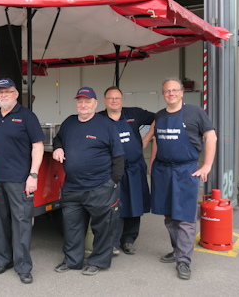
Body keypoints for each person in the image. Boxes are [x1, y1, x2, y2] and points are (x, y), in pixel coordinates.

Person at [145, 78, 217, 280]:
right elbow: (157, 140)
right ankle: (177, 250)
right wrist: (152, 163)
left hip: (186, 171)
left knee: (184, 217)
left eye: (174, 90)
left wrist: (207, 165)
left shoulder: (196, 112)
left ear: (182, 93)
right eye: (167, 91)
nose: (171, 94)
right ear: (163, 94)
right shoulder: (159, 116)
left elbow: (211, 137)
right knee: (169, 215)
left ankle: (184, 260)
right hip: (163, 171)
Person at [52, 87, 124, 276]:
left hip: (99, 187)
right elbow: (58, 138)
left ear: (95, 103)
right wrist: (58, 148)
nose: (83, 105)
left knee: (102, 227)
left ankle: (98, 261)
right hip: (72, 187)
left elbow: (118, 157)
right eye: (80, 101)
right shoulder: (69, 122)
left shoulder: (106, 125)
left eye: (87, 101)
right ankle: (71, 261)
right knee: (72, 227)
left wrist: (112, 182)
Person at [0, 78, 44, 284]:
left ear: (16, 94)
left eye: (7, 91)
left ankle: (23, 266)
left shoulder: (27, 116)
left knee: (22, 222)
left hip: (19, 180)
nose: (3, 95)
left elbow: (38, 146)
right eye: (0, 93)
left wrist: (33, 175)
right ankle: (3, 260)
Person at [98, 86, 155, 256]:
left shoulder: (134, 113)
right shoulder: (99, 118)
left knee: (134, 204)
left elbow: (160, 117)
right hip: (111, 170)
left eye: (117, 98)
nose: (114, 101)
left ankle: (128, 240)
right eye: (110, 98)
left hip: (135, 168)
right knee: (114, 205)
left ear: (122, 100)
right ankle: (113, 242)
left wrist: (147, 138)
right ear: (105, 101)